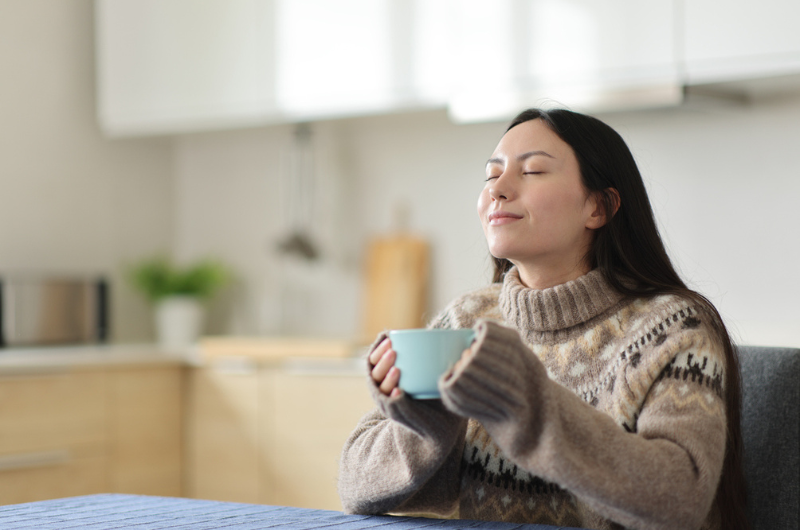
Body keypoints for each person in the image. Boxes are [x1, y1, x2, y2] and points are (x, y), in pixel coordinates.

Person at [338, 108, 749, 530]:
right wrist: (429, 427)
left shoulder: (675, 329)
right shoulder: (466, 319)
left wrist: (526, 403)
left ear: (598, 206)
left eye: (532, 170)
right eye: (490, 174)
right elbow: (353, 486)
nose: (497, 188)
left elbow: (679, 499)